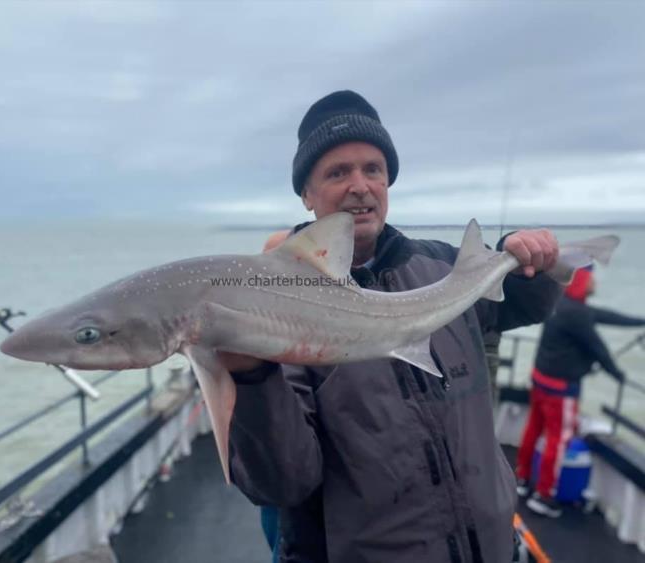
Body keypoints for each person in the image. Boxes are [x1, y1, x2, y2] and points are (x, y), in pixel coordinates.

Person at [220, 90, 562, 563]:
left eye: (373, 169)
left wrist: (529, 260)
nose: (360, 185)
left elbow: (521, 306)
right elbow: (283, 480)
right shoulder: (272, 306)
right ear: (306, 194)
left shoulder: (442, 266)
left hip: (488, 546)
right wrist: (251, 376)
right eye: (337, 172)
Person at [516, 266, 645, 518]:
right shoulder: (577, 315)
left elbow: (602, 315)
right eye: (591, 277)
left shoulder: (563, 304)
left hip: (541, 381)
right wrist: (617, 374)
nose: (594, 282)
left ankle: (522, 480)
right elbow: (598, 349)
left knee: (534, 428)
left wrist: (640, 321)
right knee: (558, 439)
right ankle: (544, 495)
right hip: (560, 390)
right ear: (582, 280)